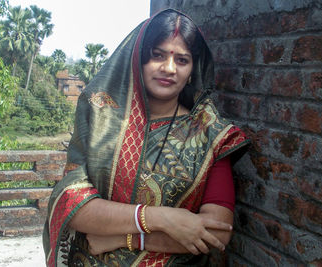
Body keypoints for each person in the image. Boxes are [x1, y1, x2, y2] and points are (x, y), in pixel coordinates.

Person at [43, 9, 250, 266]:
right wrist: (162, 219)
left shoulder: (211, 134)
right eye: (157, 55)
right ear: (138, 58)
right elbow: (72, 203)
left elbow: (215, 234)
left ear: (192, 70)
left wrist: (126, 238)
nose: (169, 68)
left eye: (182, 60)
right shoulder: (101, 116)